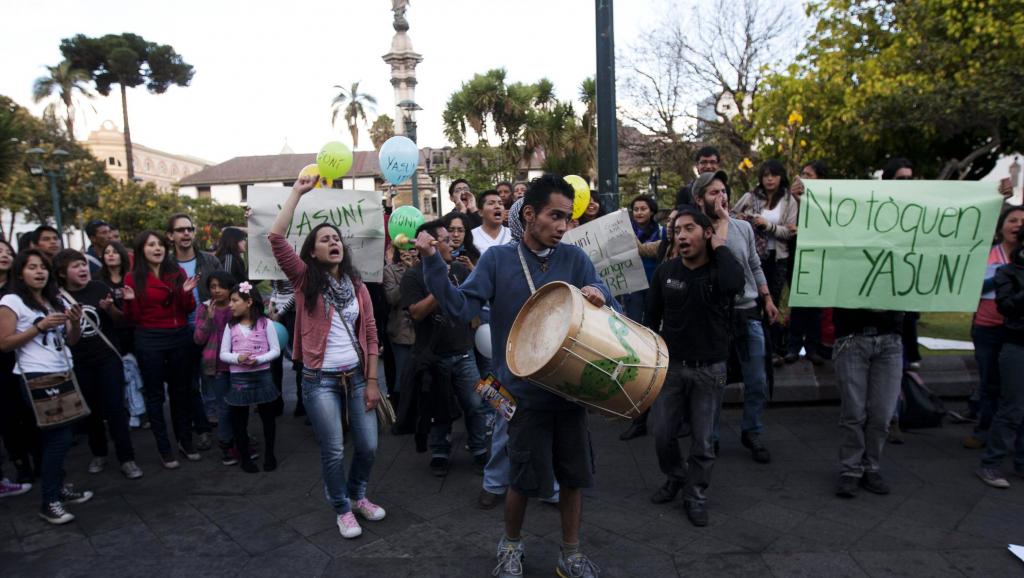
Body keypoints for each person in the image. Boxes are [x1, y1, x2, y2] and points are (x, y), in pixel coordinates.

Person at [415, 173, 612, 578]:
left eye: (567, 218)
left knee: (573, 476)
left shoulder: (575, 259)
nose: (563, 226)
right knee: (520, 479)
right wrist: (433, 264)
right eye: (555, 216)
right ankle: (511, 546)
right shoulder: (498, 260)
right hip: (522, 394)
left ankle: (570, 554)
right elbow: (459, 308)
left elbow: (604, 292)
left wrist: (598, 293)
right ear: (529, 214)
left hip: (569, 389)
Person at [270, 175, 385, 540]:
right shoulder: (306, 281)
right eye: (325, 239)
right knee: (333, 449)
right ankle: (342, 508)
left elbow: (370, 333)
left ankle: (358, 494)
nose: (333, 242)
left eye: (336, 238)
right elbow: (275, 239)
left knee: (368, 445)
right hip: (319, 381)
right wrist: (297, 193)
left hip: (356, 377)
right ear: (313, 252)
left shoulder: (358, 286)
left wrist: (371, 382)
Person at [646, 206, 744, 526]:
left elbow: (734, 282)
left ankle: (696, 494)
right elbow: (651, 317)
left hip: (709, 369)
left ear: (706, 233)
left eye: (690, 228)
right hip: (671, 367)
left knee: (703, 442)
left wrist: (719, 245)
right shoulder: (666, 272)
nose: (682, 235)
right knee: (662, 433)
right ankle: (676, 476)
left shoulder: (720, 270)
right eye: (677, 231)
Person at [0, 249, 93, 524]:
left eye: (43, 267)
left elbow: (72, 340)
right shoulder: (12, 300)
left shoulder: (51, 301)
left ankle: (58, 489)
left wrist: (74, 322)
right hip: (36, 376)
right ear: (20, 273)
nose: (40, 272)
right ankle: (49, 500)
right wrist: (39, 327)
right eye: (32, 267)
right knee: (58, 439)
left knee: (62, 437)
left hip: (63, 371)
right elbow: (4, 343)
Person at [693, 170, 779, 464]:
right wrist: (715, 226)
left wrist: (767, 298)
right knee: (715, 382)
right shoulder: (697, 231)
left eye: (723, 191)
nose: (722, 197)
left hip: (748, 313)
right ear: (699, 199)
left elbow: (754, 265)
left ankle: (752, 430)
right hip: (715, 318)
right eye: (713, 193)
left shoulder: (742, 228)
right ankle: (711, 437)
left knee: (757, 379)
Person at [403, 220, 489, 476]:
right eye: (443, 237)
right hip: (433, 356)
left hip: (463, 352)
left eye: (453, 235)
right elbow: (416, 313)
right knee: (438, 408)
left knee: (475, 404)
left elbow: (471, 306)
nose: (452, 240)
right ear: (427, 244)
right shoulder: (413, 275)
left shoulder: (460, 270)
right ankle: (439, 451)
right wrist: (441, 287)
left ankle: (479, 449)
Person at [53, 250, 142, 480]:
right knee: (91, 411)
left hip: (108, 358)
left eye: (83, 264)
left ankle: (127, 458)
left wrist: (109, 308)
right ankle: (99, 453)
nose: (83, 269)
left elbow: (121, 320)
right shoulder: (57, 298)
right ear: (62, 273)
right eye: (75, 266)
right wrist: (73, 322)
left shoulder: (100, 288)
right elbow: (69, 340)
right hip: (81, 362)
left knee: (115, 408)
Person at [124, 231, 202, 469]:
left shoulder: (176, 273)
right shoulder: (132, 278)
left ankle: (185, 440)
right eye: (151, 245)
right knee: (156, 395)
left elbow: (188, 308)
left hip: (179, 336)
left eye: (159, 244)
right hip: (149, 339)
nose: (157, 248)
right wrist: (129, 300)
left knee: (182, 391)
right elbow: (133, 318)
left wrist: (187, 293)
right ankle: (164, 447)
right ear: (141, 249)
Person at [965, 206, 1024, 450]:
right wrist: (1003, 277)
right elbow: (971, 288)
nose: (1017, 225)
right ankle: (983, 431)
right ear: (1001, 226)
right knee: (989, 383)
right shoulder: (986, 255)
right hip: (988, 328)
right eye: (1012, 220)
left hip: (1018, 333)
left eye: (1022, 221)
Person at [832, 306, 904, 498]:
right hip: (852, 337)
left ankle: (870, 466)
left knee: (882, 414)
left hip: (890, 339)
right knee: (853, 412)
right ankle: (851, 468)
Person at [732, 159, 799, 367]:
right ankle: (755, 351)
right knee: (754, 301)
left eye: (774, 174)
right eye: (766, 175)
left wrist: (768, 225)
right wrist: (744, 218)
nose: (770, 179)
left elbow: (789, 231)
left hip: (777, 257)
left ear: (781, 177)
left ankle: (772, 350)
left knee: (773, 302)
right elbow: (732, 217)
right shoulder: (750, 197)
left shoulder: (789, 201)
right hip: (753, 257)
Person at [167, 213, 220, 449]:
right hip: (179, 330)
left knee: (211, 374)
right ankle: (197, 424)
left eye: (189, 229)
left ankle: (212, 417)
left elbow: (225, 288)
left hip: (209, 327)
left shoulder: (209, 261)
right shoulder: (165, 266)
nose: (186, 233)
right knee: (188, 381)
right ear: (171, 236)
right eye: (180, 230)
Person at [976, 228, 1024, 488]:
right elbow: (1006, 306)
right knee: (1012, 407)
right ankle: (991, 464)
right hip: (1017, 345)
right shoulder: (1008, 272)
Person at [220, 281, 281, 473]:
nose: (230, 304)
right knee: (240, 419)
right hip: (239, 379)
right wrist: (237, 358)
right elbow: (223, 354)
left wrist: (260, 359)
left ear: (248, 302)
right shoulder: (230, 327)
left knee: (268, 418)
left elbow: (276, 350)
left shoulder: (266, 323)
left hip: (263, 376)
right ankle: (245, 457)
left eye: (234, 300)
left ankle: (270, 454)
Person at [0, 239, 41, 489]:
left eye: (7, 252)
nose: (4, 255)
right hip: (2, 363)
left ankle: (42, 462)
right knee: (7, 418)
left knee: (31, 414)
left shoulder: (22, 293)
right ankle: (20, 464)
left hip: (27, 361)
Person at [193, 270, 239, 465]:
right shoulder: (204, 309)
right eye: (213, 287)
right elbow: (198, 339)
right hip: (217, 367)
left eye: (221, 286)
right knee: (224, 406)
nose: (217, 290)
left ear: (230, 288)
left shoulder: (237, 306)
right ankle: (226, 444)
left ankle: (240, 439)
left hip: (237, 364)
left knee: (239, 404)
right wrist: (209, 319)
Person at [786, 161, 828, 365]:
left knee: (815, 307)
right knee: (799, 304)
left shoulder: (827, 202)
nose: (804, 178)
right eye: (802, 173)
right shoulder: (793, 199)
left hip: (818, 259)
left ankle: (813, 347)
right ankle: (793, 347)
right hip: (797, 257)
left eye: (809, 175)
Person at [383, 246, 416, 401]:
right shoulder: (390, 270)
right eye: (404, 247)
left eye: (413, 247)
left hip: (426, 332)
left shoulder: (428, 267)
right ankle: (402, 417)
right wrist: (408, 273)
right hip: (403, 332)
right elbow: (392, 298)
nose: (409, 251)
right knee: (404, 378)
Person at [622, 195, 661, 324]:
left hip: (654, 285)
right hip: (633, 287)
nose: (639, 212)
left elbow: (653, 250)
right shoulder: (621, 232)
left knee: (652, 323)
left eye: (643, 209)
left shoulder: (662, 232)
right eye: (636, 209)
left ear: (651, 211)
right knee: (634, 323)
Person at [99, 241, 135, 354]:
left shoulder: (132, 277)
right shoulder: (97, 280)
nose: (110, 255)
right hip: (110, 334)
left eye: (115, 252)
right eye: (107, 252)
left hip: (133, 332)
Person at [471, 190, 511, 255]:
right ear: (480, 212)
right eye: (491, 203)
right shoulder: (471, 236)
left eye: (500, 203)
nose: (497, 206)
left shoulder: (514, 235)